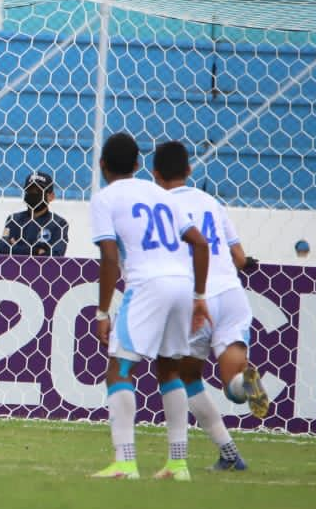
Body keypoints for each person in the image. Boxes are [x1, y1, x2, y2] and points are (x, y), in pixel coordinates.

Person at [89, 132, 211, 480]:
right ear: (140, 165)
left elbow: (110, 256)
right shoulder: (161, 194)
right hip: (183, 284)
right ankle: (178, 464)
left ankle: (125, 462)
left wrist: (102, 313)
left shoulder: (105, 199)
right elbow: (200, 244)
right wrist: (200, 297)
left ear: (102, 166)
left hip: (147, 285)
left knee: (119, 369)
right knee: (170, 370)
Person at [153, 140, 268, 473]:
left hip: (194, 297)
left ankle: (223, 451)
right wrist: (245, 265)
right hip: (231, 292)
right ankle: (240, 390)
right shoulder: (211, 201)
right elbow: (239, 256)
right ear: (189, 170)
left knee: (185, 377)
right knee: (232, 383)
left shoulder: (158, 204)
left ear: (155, 174)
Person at [0, 170, 69, 256]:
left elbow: (56, 254)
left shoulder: (59, 224)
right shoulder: (13, 220)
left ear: (51, 196)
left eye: (38, 191)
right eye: (30, 191)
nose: (33, 194)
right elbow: (3, 248)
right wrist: (36, 251)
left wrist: (16, 248)